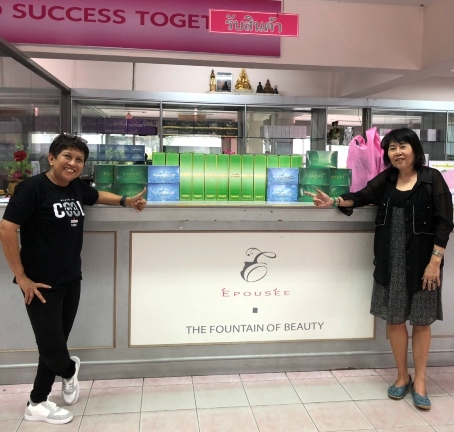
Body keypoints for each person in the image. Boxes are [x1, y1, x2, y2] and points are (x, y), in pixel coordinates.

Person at [0, 133, 147, 424]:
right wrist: (22, 277)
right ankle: (66, 373)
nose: (73, 163)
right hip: (40, 284)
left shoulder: (76, 187)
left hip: (71, 278)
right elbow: (6, 229)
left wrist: (126, 201)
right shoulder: (32, 189)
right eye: (67, 156)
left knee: (56, 341)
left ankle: (39, 400)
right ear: (52, 158)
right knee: (51, 346)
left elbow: (97, 196)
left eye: (79, 159)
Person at [307, 128, 453, 410]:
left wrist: (435, 262)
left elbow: (445, 222)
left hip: (424, 262)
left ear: (415, 149)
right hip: (391, 260)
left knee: (421, 321)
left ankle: (420, 381)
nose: (397, 153)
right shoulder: (387, 179)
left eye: (403, 146)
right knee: (395, 320)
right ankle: (402, 376)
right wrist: (333, 201)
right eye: (392, 148)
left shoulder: (432, 179)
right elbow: (360, 196)